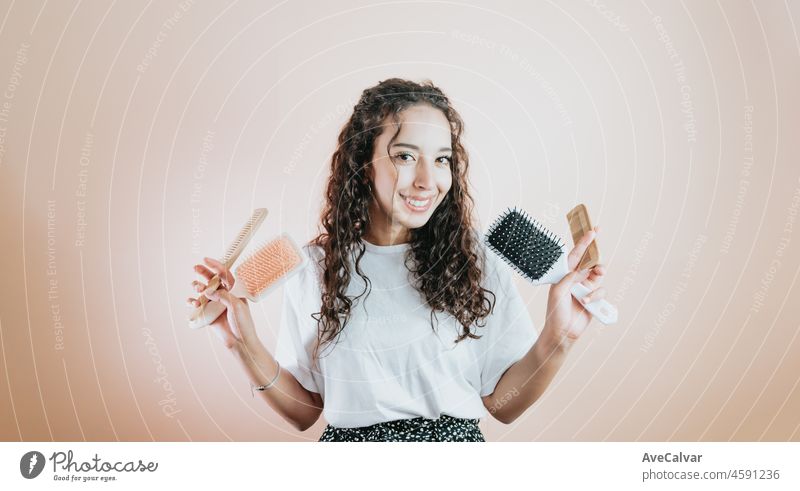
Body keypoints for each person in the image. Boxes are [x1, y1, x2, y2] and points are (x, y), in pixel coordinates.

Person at [187, 78, 607, 441]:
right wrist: (240, 342)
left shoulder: (476, 259)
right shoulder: (314, 267)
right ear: (362, 164)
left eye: (442, 159)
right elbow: (305, 412)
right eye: (405, 156)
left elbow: (502, 406)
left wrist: (559, 338)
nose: (428, 180)